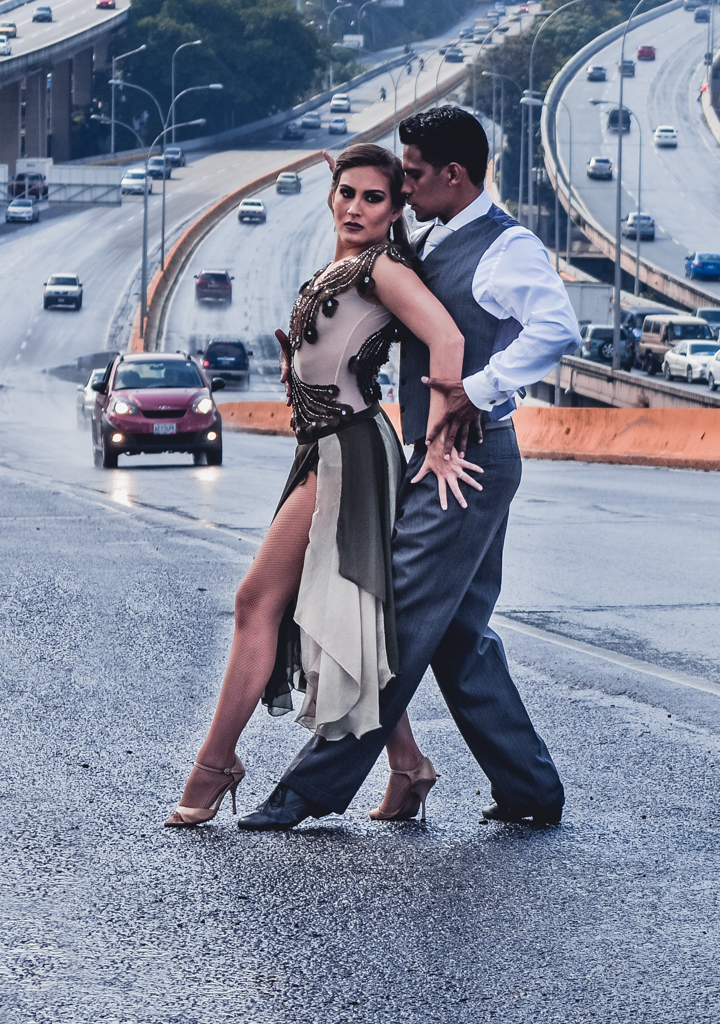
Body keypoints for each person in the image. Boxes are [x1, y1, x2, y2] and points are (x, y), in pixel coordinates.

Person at [240, 103, 582, 831]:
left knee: (390, 617)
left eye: (416, 175)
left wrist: (478, 388)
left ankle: (308, 787)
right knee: (459, 636)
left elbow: (558, 326)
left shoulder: (504, 247)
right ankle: (531, 788)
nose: (405, 184)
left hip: (462, 459)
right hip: (453, 455)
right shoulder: (431, 238)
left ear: (453, 175)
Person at [164, 143, 482, 827]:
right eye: (347, 191)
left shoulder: (383, 268)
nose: (356, 206)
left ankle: (216, 761)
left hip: (350, 450)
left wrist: (441, 433)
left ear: (396, 208)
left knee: (257, 600)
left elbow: (448, 338)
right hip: (322, 446)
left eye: (375, 197)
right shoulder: (343, 266)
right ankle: (407, 765)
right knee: (332, 612)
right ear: (331, 194)